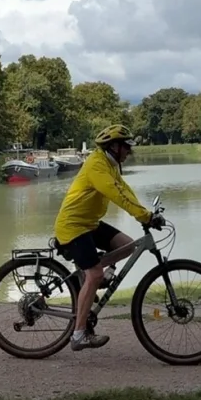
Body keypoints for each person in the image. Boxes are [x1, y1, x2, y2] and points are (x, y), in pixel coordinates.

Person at [53, 124, 155, 352]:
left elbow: (125, 189)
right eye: (127, 147)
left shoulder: (111, 165)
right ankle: (79, 334)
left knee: (128, 244)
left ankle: (92, 273)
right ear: (115, 146)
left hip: (89, 224)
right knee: (95, 274)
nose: (129, 152)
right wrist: (143, 216)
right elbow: (115, 195)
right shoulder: (97, 166)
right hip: (73, 227)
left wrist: (144, 213)